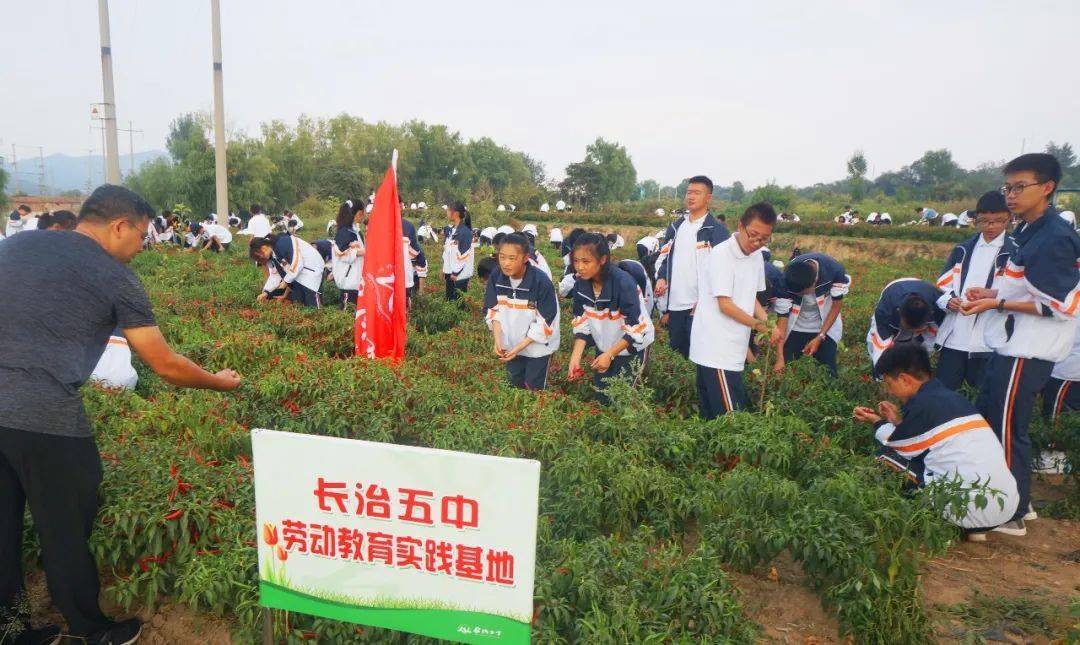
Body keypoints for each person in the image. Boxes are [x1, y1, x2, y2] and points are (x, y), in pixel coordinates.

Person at [0, 184, 241, 645]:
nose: (141, 246)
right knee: (64, 525)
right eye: (142, 235)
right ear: (119, 226)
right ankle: (90, 628)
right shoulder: (115, 278)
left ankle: (10, 631)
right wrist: (219, 381)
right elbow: (164, 363)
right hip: (44, 415)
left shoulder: (17, 244)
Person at [960, 153, 1080, 535]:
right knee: (995, 418)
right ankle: (1018, 502)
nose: (1010, 195)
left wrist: (996, 302)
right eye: (1007, 187)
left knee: (1010, 426)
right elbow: (1027, 285)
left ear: (1046, 188)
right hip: (1013, 345)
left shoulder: (1054, 238)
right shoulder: (1030, 229)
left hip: (1030, 350)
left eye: (1019, 187)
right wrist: (993, 292)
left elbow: (1059, 306)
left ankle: (1011, 512)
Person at [853, 343, 1018, 540]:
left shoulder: (923, 406)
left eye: (889, 384)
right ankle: (974, 530)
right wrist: (898, 421)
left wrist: (877, 422)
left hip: (967, 510)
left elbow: (896, 445)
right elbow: (930, 439)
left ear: (905, 380)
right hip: (1004, 508)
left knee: (884, 457)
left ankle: (939, 523)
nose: (889, 391)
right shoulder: (951, 399)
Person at [689, 203, 776, 419]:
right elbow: (725, 304)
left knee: (715, 416)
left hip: (733, 347)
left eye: (764, 238)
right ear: (740, 225)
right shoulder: (722, 255)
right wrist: (758, 325)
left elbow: (751, 296)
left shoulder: (756, 255)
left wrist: (768, 322)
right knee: (731, 419)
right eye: (753, 235)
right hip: (716, 348)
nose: (757, 243)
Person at [934, 192, 1014, 391]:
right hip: (954, 337)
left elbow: (1024, 293)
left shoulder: (1015, 252)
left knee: (982, 395)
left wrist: (992, 294)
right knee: (945, 392)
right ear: (975, 219)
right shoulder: (964, 249)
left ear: (1009, 219)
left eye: (998, 221)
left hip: (989, 340)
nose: (991, 226)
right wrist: (949, 301)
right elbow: (942, 285)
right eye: (984, 221)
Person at [568, 234, 654, 403]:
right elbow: (582, 322)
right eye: (576, 261)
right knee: (602, 395)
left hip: (632, 347)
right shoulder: (581, 284)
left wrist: (611, 354)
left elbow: (636, 326)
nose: (580, 267)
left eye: (586, 262)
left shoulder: (623, 283)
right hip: (605, 345)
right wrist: (575, 358)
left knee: (624, 399)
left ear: (602, 260)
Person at [654, 175, 731, 359]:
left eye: (697, 193)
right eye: (689, 192)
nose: (691, 196)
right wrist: (662, 277)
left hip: (701, 304)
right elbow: (666, 257)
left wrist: (707, 298)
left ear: (708, 198)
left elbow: (724, 270)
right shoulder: (676, 227)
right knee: (676, 352)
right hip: (676, 302)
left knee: (698, 353)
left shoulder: (715, 230)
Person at [483, 233, 560, 390]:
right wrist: (498, 340)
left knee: (533, 389)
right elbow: (493, 310)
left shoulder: (541, 282)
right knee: (514, 387)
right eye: (502, 257)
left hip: (537, 346)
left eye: (512, 258)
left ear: (525, 258)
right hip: (511, 343)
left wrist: (518, 348)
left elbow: (544, 323)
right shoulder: (496, 277)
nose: (505, 263)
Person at [772, 252, 851, 376]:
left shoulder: (833, 270)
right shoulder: (786, 279)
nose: (801, 296)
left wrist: (820, 336)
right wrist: (779, 358)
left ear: (814, 283)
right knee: (786, 369)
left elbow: (836, 306)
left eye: (803, 293)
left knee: (828, 371)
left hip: (824, 325)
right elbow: (782, 320)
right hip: (796, 326)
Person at [867, 278, 944, 375]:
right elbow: (880, 343)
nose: (913, 332)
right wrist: (884, 372)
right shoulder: (885, 311)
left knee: (918, 348)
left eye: (917, 330)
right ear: (899, 313)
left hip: (925, 292)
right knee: (879, 349)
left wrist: (921, 361)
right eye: (910, 329)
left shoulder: (939, 307)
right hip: (895, 289)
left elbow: (932, 339)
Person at [250, 233, 326, 308]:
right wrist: (266, 292)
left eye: (260, 257)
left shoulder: (283, 243)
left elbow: (297, 263)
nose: (263, 260)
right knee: (298, 301)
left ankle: (320, 312)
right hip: (298, 274)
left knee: (313, 304)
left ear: (263, 248)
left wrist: (286, 281)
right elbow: (276, 274)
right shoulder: (273, 255)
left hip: (311, 270)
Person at [331, 200, 365, 310]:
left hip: (356, 281)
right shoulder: (344, 232)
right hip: (348, 282)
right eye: (360, 214)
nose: (362, 217)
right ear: (352, 215)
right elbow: (342, 253)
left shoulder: (355, 231)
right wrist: (365, 252)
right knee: (347, 314)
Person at [442, 202, 474, 301]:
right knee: (449, 301)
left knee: (458, 303)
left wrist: (455, 273)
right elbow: (447, 252)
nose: (446, 212)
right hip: (450, 272)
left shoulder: (465, 232)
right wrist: (444, 269)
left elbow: (464, 255)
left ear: (455, 213)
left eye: (448, 210)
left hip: (459, 275)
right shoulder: (452, 230)